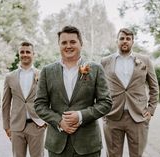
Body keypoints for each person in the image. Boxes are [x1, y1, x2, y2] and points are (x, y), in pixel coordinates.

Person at [34, 25, 112, 157]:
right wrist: (59, 121)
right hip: (57, 144)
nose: (68, 46)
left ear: (81, 44)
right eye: (64, 42)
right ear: (59, 45)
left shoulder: (96, 69)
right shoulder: (47, 71)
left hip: (88, 145)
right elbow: (39, 105)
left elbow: (106, 103)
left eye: (73, 42)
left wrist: (81, 116)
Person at [101, 28, 159, 157]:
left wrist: (151, 110)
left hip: (138, 116)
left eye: (128, 39)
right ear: (117, 41)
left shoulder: (145, 60)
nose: (125, 41)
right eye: (122, 38)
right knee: (113, 155)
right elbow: (99, 88)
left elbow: (154, 87)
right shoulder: (105, 61)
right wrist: (103, 110)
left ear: (133, 41)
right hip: (112, 116)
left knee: (137, 154)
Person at [2, 41, 46, 157]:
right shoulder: (9, 77)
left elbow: (48, 100)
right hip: (16, 127)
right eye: (22, 52)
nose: (25, 54)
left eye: (28, 52)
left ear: (33, 54)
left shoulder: (42, 75)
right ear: (19, 54)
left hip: (37, 125)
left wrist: (45, 121)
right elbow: (6, 104)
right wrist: (6, 126)